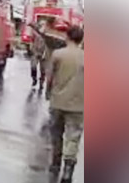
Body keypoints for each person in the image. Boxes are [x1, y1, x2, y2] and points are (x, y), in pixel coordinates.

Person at [45, 25, 84, 182]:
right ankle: (68, 170)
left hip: (57, 101)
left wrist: (48, 92)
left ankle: (55, 163)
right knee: (73, 137)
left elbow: (50, 77)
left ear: (67, 37)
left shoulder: (58, 54)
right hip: (78, 104)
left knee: (56, 134)